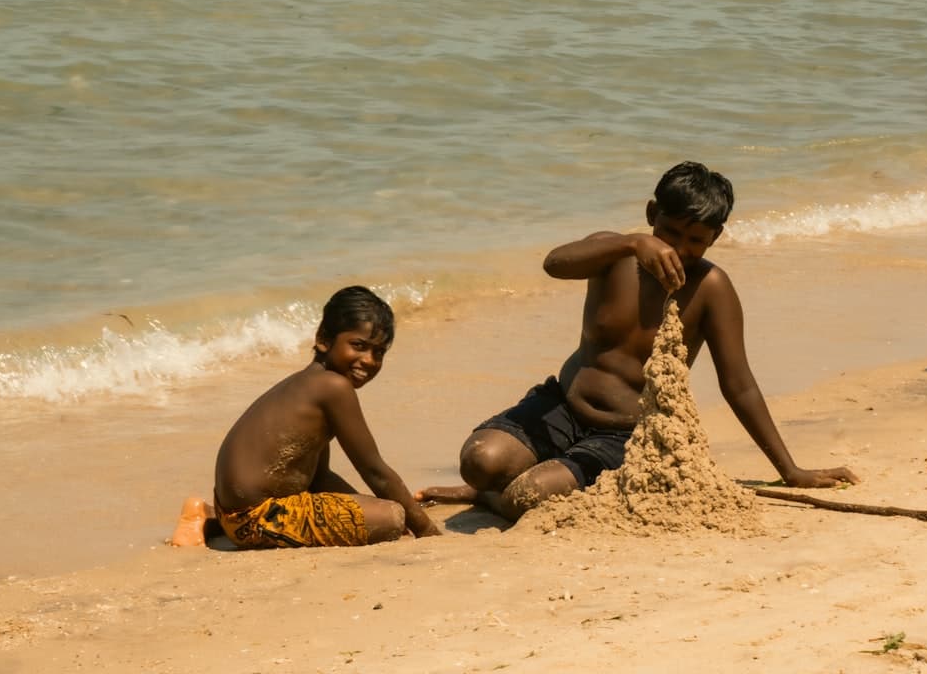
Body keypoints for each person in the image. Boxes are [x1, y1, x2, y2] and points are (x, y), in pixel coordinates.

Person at [417, 161, 859, 522]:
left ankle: (491, 497)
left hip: (625, 435)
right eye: (670, 233)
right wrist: (631, 244)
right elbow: (554, 263)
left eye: (696, 242)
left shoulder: (711, 288)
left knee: (526, 497)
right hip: (562, 407)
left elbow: (739, 384)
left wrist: (789, 470)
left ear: (715, 239)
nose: (680, 250)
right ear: (651, 215)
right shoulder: (612, 254)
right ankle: (489, 483)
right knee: (479, 460)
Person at [178, 285, 440, 549]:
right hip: (256, 520)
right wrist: (426, 531)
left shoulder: (310, 383)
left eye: (379, 352)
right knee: (392, 517)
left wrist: (364, 506)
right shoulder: (334, 387)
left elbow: (320, 477)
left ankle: (209, 518)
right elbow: (375, 471)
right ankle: (212, 521)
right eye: (358, 346)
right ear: (324, 339)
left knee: (381, 511)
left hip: (232, 513)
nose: (369, 360)